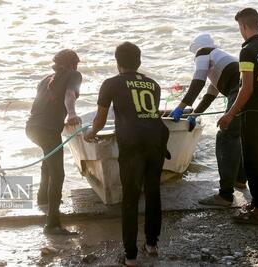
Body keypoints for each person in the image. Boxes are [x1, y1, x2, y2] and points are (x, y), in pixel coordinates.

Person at [84, 42, 169, 267]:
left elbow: (101, 120)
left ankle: (130, 256)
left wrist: (91, 132)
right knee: (153, 193)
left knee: (130, 198)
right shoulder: (154, 84)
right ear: (139, 62)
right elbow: (147, 115)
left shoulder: (111, 84)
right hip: (157, 141)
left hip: (132, 145)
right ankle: (152, 245)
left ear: (117, 62)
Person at [218, 8, 258, 225]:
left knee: (253, 162)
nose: (240, 32)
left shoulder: (247, 51)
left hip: (252, 115)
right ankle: (257, 202)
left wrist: (229, 114)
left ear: (244, 26)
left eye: (239, 28)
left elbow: (246, 88)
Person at [170, 33, 247, 208]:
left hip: (238, 92)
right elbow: (210, 95)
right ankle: (241, 179)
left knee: (225, 137)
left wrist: (181, 107)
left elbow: (197, 82)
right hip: (246, 92)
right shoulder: (222, 61)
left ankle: (225, 196)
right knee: (238, 135)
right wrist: (195, 114)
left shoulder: (203, 53)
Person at [26, 49, 82, 235]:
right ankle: (52, 224)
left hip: (31, 128)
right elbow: (69, 95)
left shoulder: (45, 79)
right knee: (58, 174)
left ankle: (43, 198)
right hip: (48, 130)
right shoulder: (74, 75)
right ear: (73, 64)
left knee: (48, 160)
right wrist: (72, 114)